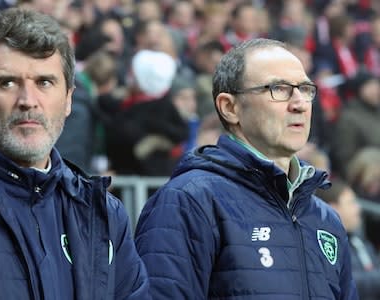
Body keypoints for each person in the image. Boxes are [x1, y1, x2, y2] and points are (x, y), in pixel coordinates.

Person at [0, 8, 150, 300]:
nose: (28, 101)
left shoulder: (103, 212)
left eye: (44, 82)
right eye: (7, 83)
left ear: (68, 99)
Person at [135, 38, 358, 299]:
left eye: (305, 89)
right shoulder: (189, 201)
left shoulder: (325, 219)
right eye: (280, 88)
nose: (299, 103)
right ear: (230, 108)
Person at [316, 178, 380, 300]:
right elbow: (347, 281)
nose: (358, 208)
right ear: (332, 208)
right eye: (351, 203)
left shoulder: (358, 240)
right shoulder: (326, 244)